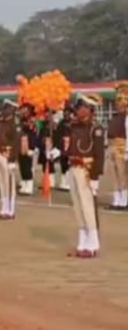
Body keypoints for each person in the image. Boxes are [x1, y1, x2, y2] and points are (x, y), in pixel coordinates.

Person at [66, 93, 105, 258]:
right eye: (79, 108)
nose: (79, 111)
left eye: (82, 108)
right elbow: (70, 148)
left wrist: (95, 177)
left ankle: (93, 243)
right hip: (73, 167)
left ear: (90, 110)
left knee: (88, 206)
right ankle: (82, 241)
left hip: (87, 170)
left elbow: (99, 155)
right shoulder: (74, 127)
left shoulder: (95, 129)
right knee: (78, 206)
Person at [0, 99, 20, 219]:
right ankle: (4, 208)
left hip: (8, 156)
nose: (3, 111)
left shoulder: (15, 124)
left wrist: (12, 159)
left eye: (6, 109)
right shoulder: (1, 123)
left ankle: (10, 210)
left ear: (12, 110)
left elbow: (16, 143)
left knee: (9, 184)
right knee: (2, 183)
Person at [106, 82, 128, 210]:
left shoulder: (126, 118)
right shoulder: (114, 117)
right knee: (113, 174)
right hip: (111, 145)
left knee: (122, 174)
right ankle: (116, 200)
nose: (119, 103)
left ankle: (124, 200)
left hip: (122, 146)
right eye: (118, 101)